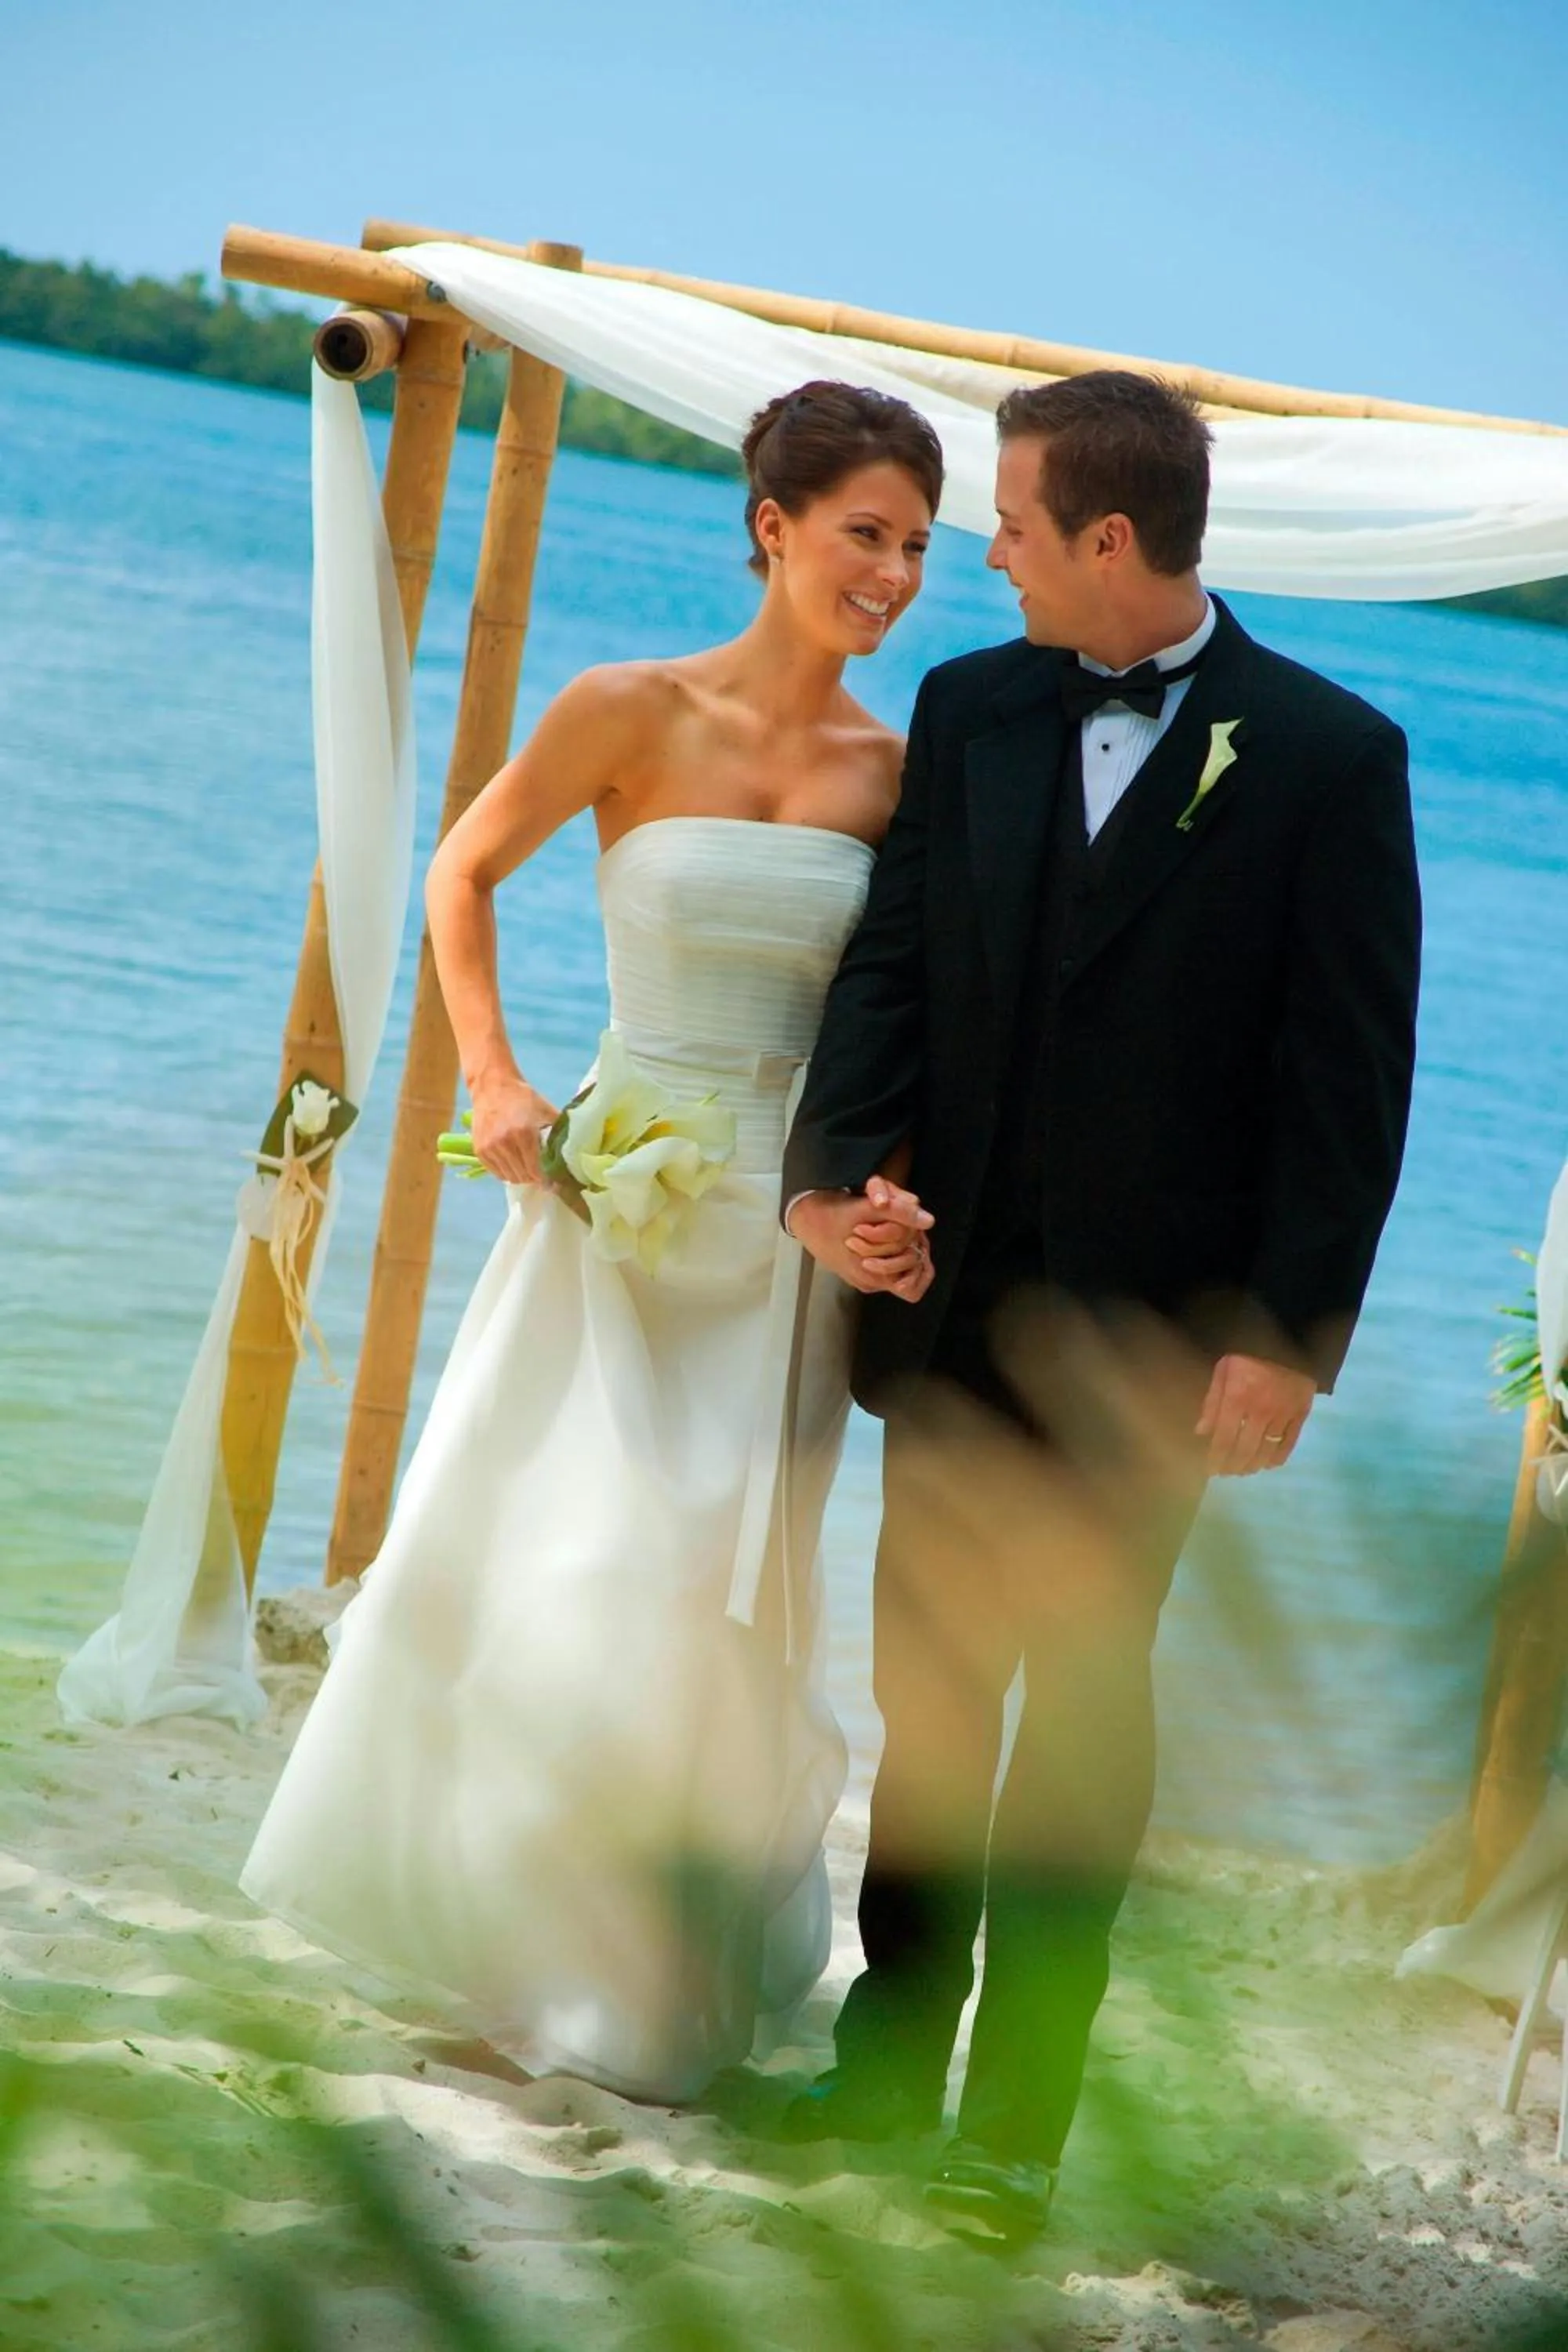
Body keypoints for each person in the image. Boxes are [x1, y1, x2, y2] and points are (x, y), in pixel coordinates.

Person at [240, 381, 944, 2103]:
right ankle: (505, 1963)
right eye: (865, 532)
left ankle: (640, 1982)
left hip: (783, 1250)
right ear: (773, 526)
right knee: (564, 1571)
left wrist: (886, 1199)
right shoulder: (623, 707)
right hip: (608, 1203)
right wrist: (490, 1074)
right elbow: (464, 872)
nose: (895, 573)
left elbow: (909, 1017)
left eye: (921, 546)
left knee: (708, 1608)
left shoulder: (896, 774)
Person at [779, 369, 1422, 2241]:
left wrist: (1287, 1340)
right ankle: (886, 2076)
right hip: (948, 1309)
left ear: (1109, 539)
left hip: (1157, 1358)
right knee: (927, 1703)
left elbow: (1346, 1079)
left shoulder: (1325, 755)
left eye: (1010, 520)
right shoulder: (970, 707)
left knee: (1076, 1727)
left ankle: (1015, 2134)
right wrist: (835, 1181)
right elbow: (886, 979)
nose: (983, 550)